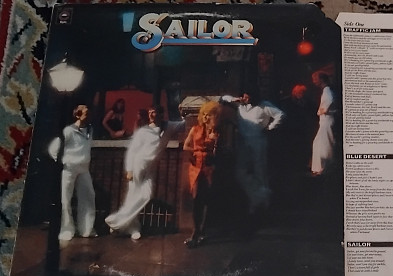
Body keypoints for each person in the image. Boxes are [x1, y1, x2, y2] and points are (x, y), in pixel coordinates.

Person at [105, 105, 184, 239]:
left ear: (161, 114)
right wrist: (129, 169)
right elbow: (132, 150)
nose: (151, 115)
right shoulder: (143, 131)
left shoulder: (168, 126)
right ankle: (133, 228)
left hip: (151, 168)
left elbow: (184, 124)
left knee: (146, 195)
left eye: (154, 112)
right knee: (133, 195)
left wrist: (183, 113)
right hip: (139, 164)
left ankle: (117, 221)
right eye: (150, 112)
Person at [220, 91, 284, 213]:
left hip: (257, 141)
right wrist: (233, 99)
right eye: (244, 96)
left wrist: (269, 127)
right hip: (243, 142)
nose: (246, 98)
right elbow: (223, 98)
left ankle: (263, 204)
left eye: (248, 96)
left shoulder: (264, 105)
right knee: (240, 172)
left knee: (259, 170)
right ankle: (259, 196)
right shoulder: (240, 105)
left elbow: (280, 115)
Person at [182, 101, 231, 248]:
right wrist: (195, 152)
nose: (205, 117)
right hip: (196, 167)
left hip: (210, 167)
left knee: (207, 199)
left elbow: (221, 152)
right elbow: (186, 145)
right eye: (204, 114)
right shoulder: (195, 129)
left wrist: (215, 142)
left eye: (209, 115)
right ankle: (195, 231)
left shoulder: (218, 133)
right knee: (196, 197)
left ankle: (203, 230)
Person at [47, 104, 96, 241]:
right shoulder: (68, 131)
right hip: (69, 169)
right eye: (86, 113)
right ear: (78, 115)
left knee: (88, 196)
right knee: (66, 199)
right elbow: (54, 148)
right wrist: (64, 162)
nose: (89, 115)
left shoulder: (90, 130)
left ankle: (86, 229)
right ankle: (67, 230)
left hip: (84, 169)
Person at [310, 72, 337, 176]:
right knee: (318, 143)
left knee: (325, 144)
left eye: (315, 79)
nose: (314, 81)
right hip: (324, 121)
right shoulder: (326, 91)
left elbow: (329, 101)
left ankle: (324, 168)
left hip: (327, 121)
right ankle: (320, 167)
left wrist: (322, 110)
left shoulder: (327, 91)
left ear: (321, 79)